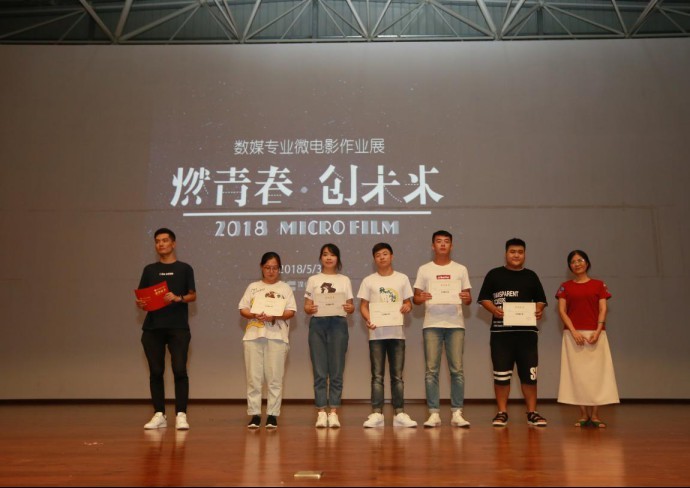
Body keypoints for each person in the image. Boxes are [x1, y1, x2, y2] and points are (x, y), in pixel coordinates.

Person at [477, 237, 548, 427]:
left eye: (520, 252)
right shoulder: (494, 274)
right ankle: (502, 412)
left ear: (524, 255)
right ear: (506, 254)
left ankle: (532, 412)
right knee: (501, 376)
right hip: (501, 336)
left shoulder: (531, 276)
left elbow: (541, 300)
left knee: (530, 376)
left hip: (527, 336)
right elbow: (484, 299)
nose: (516, 255)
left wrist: (538, 309)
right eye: (512, 252)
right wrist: (493, 310)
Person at [136, 228, 197, 431]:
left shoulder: (185, 268)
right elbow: (142, 298)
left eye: (164, 240)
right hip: (153, 328)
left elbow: (193, 295)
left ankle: (181, 414)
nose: (161, 244)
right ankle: (159, 414)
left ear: (173, 243)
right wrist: (141, 303)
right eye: (157, 241)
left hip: (178, 327)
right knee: (156, 371)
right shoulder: (149, 270)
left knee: (179, 369)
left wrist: (178, 298)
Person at [413, 230, 472, 428]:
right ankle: (434, 413)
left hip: (455, 324)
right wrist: (421, 297)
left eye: (446, 241)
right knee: (431, 371)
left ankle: (457, 412)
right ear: (433, 246)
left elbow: (468, 298)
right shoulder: (424, 269)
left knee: (457, 370)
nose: (443, 244)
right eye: (439, 241)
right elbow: (416, 298)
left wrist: (467, 298)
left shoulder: (460, 269)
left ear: (451, 246)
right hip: (432, 324)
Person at [556, 250, 619, 428]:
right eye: (573, 261)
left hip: (595, 334)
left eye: (580, 260)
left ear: (587, 263)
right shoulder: (565, 287)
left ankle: (596, 415)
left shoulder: (599, 285)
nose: (577, 264)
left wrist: (598, 330)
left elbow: (603, 309)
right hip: (573, 336)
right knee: (578, 375)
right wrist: (573, 331)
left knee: (596, 374)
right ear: (569, 266)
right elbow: (562, 311)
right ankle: (583, 414)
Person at [357, 243, 417, 428]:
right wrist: (369, 319)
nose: (382, 257)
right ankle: (377, 413)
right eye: (378, 255)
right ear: (374, 259)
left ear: (392, 256)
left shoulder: (402, 278)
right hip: (376, 334)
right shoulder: (368, 281)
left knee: (397, 376)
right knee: (377, 376)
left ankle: (400, 413)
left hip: (397, 334)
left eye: (385, 254)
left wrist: (407, 307)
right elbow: (363, 306)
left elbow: (408, 303)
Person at [238, 252, 297, 429]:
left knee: (275, 378)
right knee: (253, 378)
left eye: (275, 268)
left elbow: (291, 311)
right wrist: (254, 314)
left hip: (277, 337)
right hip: (253, 336)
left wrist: (275, 316)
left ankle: (272, 415)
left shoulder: (285, 288)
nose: (271, 271)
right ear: (261, 267)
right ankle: (255, 414)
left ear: (280, 269)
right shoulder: (253, 287)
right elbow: (242, 308)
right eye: (267, 267)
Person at [304, 243, 355, 428]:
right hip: (318, 324)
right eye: (325, 254)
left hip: (338, 324)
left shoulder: (344, 280)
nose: (328, 257)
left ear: (337, 258)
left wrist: (350, 307)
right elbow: (306, 306)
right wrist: (309, 308)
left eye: (332, 255)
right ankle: (321, 412)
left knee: (336, 370)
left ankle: (333, 412)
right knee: (319, 371)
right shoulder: (313, 279)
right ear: (320, 258)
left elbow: (351, 306)